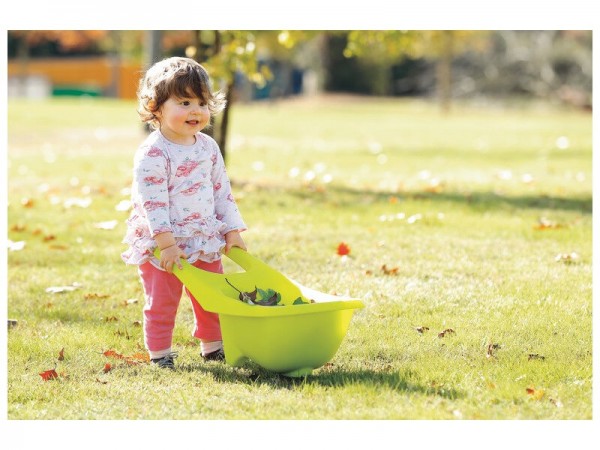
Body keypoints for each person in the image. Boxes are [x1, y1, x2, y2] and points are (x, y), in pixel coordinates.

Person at [121, 57, 247, 369]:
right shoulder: (153, 153)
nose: (195, 111)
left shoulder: (207, 147)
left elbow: (221, 190)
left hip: (202, 238)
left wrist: (232, 230)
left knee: (212, 297)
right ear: (156, 107)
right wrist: (166, 243)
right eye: (184, 102)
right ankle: (161, 353)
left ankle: (213, 345)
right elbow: (154, 203)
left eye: (202, 103)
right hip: (164, 244)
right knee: (163, 301)